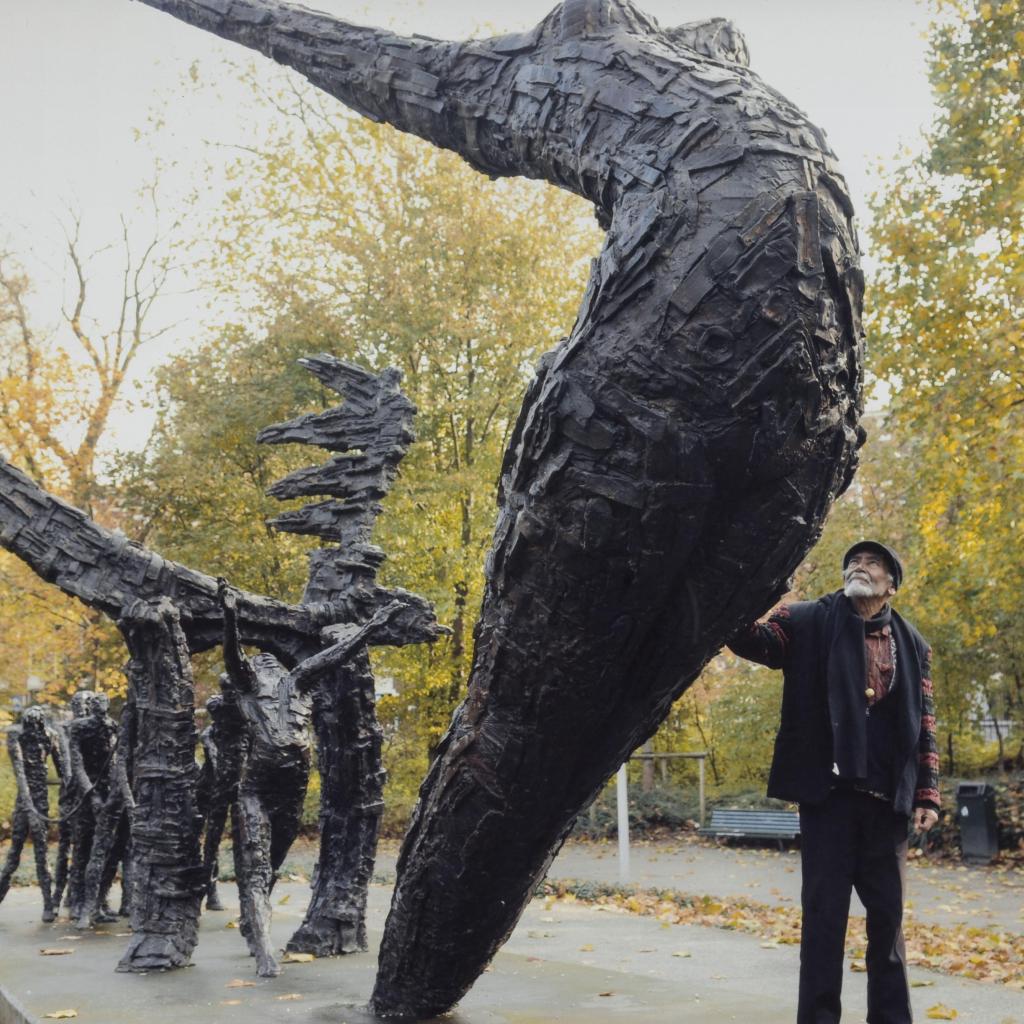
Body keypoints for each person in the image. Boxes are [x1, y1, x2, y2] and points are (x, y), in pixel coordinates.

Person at [729, 540, 939, 1024]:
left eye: (872, 563)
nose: (859, 567)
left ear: (891, 585)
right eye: (854, 562)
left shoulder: (913, 644)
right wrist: (747, 591)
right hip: (828, 803)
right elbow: (754, 642)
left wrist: (927, 793)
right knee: (824, 922)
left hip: (888, 805)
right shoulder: (805, 620)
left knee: (888, 924)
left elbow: (925, 723)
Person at [0, 705, 61, 921]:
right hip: (24, 804)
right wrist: (29, 807)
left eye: (37, 726)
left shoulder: (50, 736)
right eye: (31, 725)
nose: (34, 730)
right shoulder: (16, 736)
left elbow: (62, 770)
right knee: (14, 854)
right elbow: (20, 774)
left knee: (42, 854)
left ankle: (48, 905)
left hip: (40, 802)